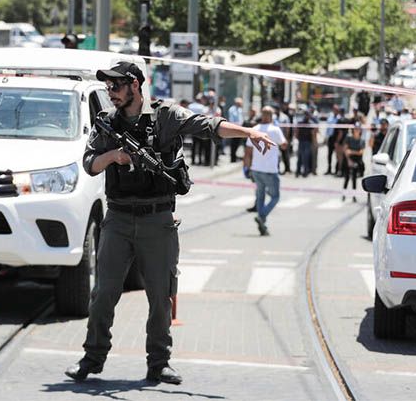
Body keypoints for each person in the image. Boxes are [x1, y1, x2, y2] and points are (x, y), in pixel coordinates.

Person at [64, 62, 275, 385]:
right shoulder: (107, 121)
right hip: (118, 219)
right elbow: (90, 164)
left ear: (135, 85)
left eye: (117, 87)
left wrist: (248, 132)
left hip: (157, 218)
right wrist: (116, 157)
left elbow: (208, 125)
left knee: (161, 295)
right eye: (108, 88)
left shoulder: (165, 116)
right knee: (104, 292)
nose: (111, 93)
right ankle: (92, 358)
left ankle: (158, 362)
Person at [243, 106, 287, 236]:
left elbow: (248, 151)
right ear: (272, 116)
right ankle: (262, 217)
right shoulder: (275, 129)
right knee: (275, 196)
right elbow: (284, 145)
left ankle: (262, 222)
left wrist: (246, 167)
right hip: (270, 170)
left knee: (260, 196)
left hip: (256, 169)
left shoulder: (254, 130)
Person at [343, 125, 365, 202]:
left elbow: (361, 152)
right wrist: (349, 160)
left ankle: (354, 196)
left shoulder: (362, 140)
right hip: (349, 160)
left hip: (357, 161)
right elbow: (345, 150)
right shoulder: (348, 138)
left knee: (354, 179)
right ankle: (344, 194)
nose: (356, 131)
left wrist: (352, 151)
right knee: (347, 178)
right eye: (355, 129)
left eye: (358, 129)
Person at [227, 97, 244, 162]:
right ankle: (233, 158)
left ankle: (234, 157)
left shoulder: (240, 109)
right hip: (234, 127)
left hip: (239, 127)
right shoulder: (232, 109)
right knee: (233, 144)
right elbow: (231, 120)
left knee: (237, 143)